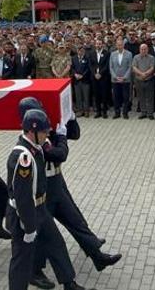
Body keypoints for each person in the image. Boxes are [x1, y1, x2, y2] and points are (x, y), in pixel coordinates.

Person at [17, 98, 121, 289]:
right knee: (44, 235)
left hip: (56, 183)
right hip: (43, 188)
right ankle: (35, 271)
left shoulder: (43, 128)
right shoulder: (32, 138)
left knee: (75, 220)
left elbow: (74, 134)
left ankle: (97, 257)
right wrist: (61, 136)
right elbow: (59, 154)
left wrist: (69, 118)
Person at [6, 108, 91, 290]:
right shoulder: (23, 157)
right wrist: (28, 227)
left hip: (40, 208)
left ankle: (69, 284)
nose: (47, 135)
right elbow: (22, 197)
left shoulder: (34, 148)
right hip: (25, 214)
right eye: (44, 131)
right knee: (21, 260)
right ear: (32, 131)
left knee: (56, 244)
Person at [109, 37, 132, 119]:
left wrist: (124, 77)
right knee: (116, 97)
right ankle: (117, 112)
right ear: (116, 45)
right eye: (118, 45)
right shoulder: (112, 54)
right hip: (115, 80)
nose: (120, 46)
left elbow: (130, 67)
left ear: (123, 45)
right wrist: (115, 77)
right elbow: (111, 67)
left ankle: (125, 113)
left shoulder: (129, 54)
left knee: (126, 97)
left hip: (125, 80)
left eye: (121, 45)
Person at [132, 43, 155, 120]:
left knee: (150, 97)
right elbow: (134, 67)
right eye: (142, 49)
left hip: (149, 80)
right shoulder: (136, 57)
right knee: (141, 97)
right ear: (139, 50)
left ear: (147, 50)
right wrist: (141, 74)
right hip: (138, 80)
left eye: (145, 49)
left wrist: (145, 74)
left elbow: (152, 68)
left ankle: (150, 113)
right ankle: (143, 112)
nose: (143, 50)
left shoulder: (151, 58)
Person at [89, 39, 110, 119]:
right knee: (96, 95)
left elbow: (107, 65)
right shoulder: (91, 53)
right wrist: (95, 74)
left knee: (104, 95)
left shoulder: (107, 53)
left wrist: (100, 73)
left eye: (100, 44)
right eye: (97, 44)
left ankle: (104, 112)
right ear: (95, 45)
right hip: (94, 77)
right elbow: (90, 65)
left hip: (103, 77)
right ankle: (98, 111)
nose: (98, 45)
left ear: (102, 45)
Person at [70, 45, 91, 117]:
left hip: (85, 80)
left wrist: (83, 76)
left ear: (84, 51)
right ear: (77, 51)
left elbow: (88, 68)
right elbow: (72, 68)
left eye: (82, 50)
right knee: (78, 96)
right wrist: (75, 74)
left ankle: (86, 111)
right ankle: (80, 110)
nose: (80, 52)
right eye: (79, 50)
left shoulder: (87, 58)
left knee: (86, 96)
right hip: (76, 80)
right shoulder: (74, 58)